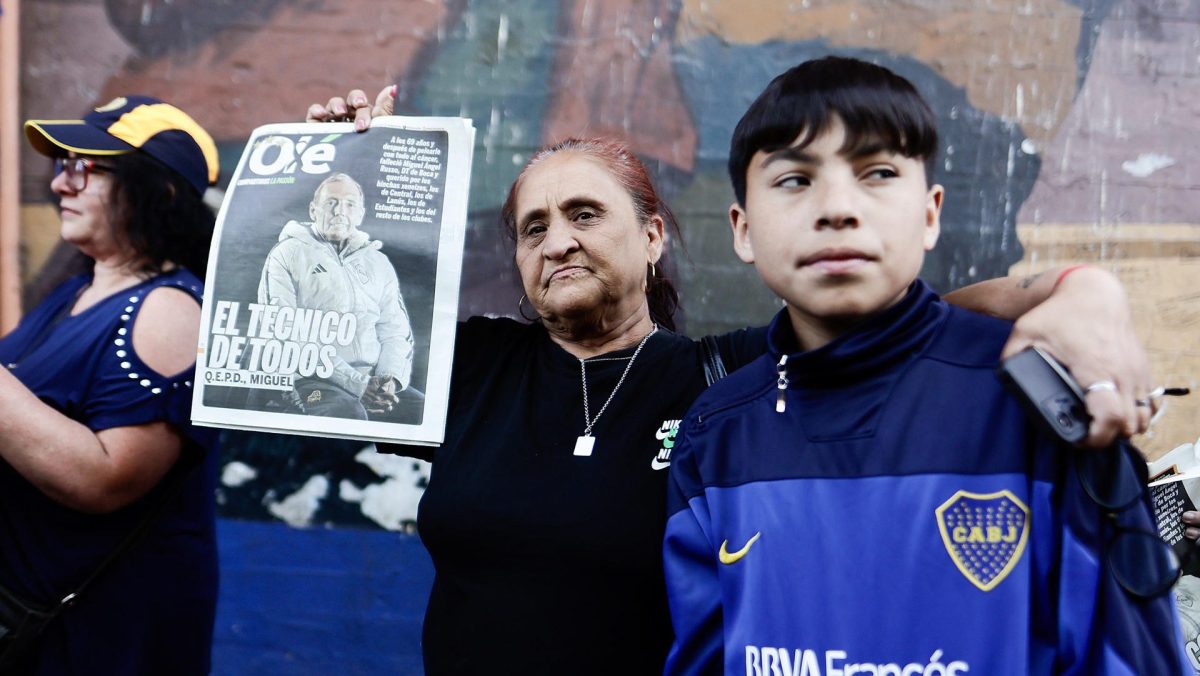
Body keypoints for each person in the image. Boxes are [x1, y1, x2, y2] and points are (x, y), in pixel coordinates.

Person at [309, 91, 1159, 674]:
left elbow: (926, 315)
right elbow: (322, 326)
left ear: (652, 239)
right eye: (533, 228)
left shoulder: (735, 382)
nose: (556, 240)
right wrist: (344, 163)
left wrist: (1085, 293)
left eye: (584, 214)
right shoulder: (471, 370)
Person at [662, 56, 1187, 674]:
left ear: (931, 214)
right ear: (743, 229)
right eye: (795, 180)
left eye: (878, 172)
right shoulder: (714, 434)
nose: (836, 208)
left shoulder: (1041, 402)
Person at [0, 95, 220, 674]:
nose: (60, 186)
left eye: (84, 167)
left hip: (99, 640)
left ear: (162, 192)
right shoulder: (72, 295)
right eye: (60, 165)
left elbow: (105, 479)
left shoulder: (170, 309)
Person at [257, 171, 420, 422]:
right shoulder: (286, 254)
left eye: (349, 204)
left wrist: (389, 379)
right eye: (331, 202)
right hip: (311, 383)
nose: (339, 211)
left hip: (372, 380)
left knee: (424, 412)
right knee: (347, 413)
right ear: (313, 210)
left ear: (360, 214)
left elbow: (395, 331)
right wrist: (356, 384)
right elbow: (284, 332)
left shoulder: (378, 262)